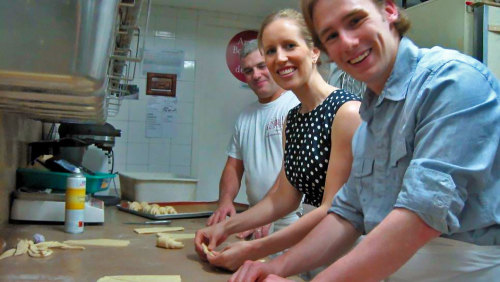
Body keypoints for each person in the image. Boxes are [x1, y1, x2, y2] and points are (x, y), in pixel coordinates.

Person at [228, 0, 500, 281]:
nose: (347, 42)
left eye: (355, 20)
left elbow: (422, 216)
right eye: (331, 35)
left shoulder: (451, 82)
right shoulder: (372, 116)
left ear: (390, 10)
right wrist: (273, 268)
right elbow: (346, 214)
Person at [194, 8, 362, 271]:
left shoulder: (347, 112)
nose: (279, 58)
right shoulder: (293, 119)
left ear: (314, 51)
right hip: (313, 247)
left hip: (349, 254)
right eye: (270, 50)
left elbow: (332, 208)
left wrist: (253, 249)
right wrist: (224, 227)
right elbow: (283, 198)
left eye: (289, 45)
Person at [207, 39, 300, 239]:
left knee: (286, 270)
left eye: (261, 66)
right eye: (249, 71)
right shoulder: (245, 117)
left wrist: (264, 214)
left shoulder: (297, 105)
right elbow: (233, 166)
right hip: (257, 218)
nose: (256, 75)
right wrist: (225, 201)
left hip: (291, 220)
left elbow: (292, 168)